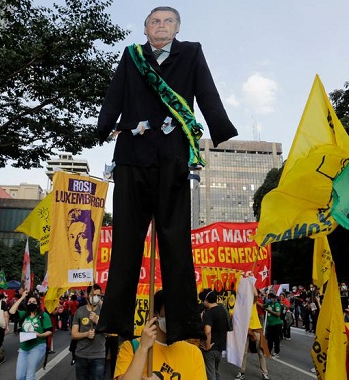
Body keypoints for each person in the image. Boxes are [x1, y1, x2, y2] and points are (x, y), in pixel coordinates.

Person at [95, 5, 238, 343]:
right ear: (145, 29)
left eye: (168, 21)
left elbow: (206, 91)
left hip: (173, 157)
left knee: (176, 240)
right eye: (155, 21)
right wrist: (104, 127)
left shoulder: (191, 52)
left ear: (177, 28)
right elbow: (115, 93)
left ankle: (185, 323)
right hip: (131, 156)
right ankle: (116, 320)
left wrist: (220, 128)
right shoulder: (132, 56)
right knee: (126, 239)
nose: (161, 26)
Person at [114, 289, 205, 379]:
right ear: (155, 315)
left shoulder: (194, 353)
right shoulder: (130, 348)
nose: (175, 316)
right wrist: (143, 348)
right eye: (170, 310)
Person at [9, 290, 52, 380]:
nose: (31, 303)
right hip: (24, 348)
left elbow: (49, 331)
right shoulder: (24, 314)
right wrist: (22, 297)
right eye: (29, 302)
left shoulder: (43, 315)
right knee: (20, 377)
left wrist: (39, 335)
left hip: (38, 346)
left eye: (33, 302)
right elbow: (12, 311)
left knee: (29, 375)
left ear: (38, 304)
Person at [71, 284, 106, 380]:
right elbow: (74, 334)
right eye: (93, 294)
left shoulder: (104, 311)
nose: (96, 297)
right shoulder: (80, 311)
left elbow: (108, 332)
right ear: (87, 295)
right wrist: (86, 334)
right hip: (81, 355)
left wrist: (97, 321)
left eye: (98, 295)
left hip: (98, 356)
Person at [235, 287, 270, 380]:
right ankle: (241, 372)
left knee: (260, 352)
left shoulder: (252, 302)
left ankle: (264, 373)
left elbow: (255, 294)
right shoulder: (239, 305)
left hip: (256, 329)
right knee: (244, 353)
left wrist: (251, 283)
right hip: (245, 330)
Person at [200, 289, 227, 380]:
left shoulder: (209, 313)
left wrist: (207, 346)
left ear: (206, 301)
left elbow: (207, 331)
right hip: (220, 347)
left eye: (203, 301)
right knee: (216, 371)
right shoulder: (223, 309)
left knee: (210, 373)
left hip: (210, 348)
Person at [264, 292, 283, 358]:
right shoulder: (268, 303)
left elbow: (278, 314)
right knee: (269, 339)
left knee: (276, 339)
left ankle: (276, 352)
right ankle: (268, 351)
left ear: (274, 298)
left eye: (270, 298)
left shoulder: (276, 304)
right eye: (268, 298)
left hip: (276, 324)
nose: (269, 299)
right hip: (270, 324)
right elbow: (263, 306)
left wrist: (269, 311)